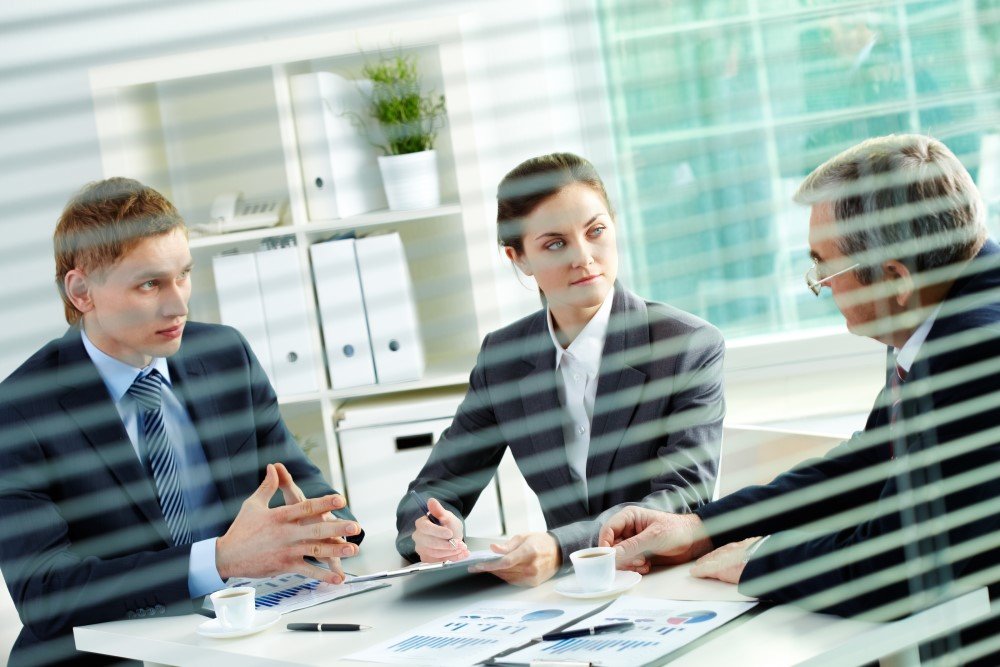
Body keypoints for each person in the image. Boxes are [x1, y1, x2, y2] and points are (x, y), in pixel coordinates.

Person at [598, 134, 1000, 663]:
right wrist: (703, 527)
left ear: (895, 279)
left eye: (825, 269)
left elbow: (897, 567)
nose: (821, 286)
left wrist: (762, 558)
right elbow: (873, 460)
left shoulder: (972, 354)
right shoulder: (939, 299)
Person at [0, 178, 364, 667]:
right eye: (149, 283)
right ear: (81, 290)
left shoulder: (224, 355)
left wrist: (321, 527)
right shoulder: (20, 410)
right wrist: (219, 560)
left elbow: (293, 479)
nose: (178, 304)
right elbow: (45, 594)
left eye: (183, 275)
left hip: (242, 637)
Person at [395, 152, 725, 586]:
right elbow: (435, 487)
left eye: (596, 231)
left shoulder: (686, 345)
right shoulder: (505, 358)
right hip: (564, 595)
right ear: (519, 258)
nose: (584, 257)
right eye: (555, 244)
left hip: (667, 583)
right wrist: (431, 529)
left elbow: (680, 499)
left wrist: (559, 547)